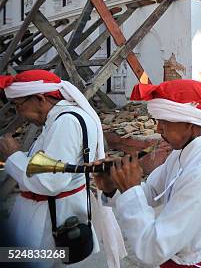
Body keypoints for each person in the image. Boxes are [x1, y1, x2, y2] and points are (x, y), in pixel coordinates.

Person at [94, 79, 201, 267]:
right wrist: (114, 187)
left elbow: (152, 250)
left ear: (190, 123)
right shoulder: (182, 152)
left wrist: (131, 190)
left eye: (164, 121)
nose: (158, 129)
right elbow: (152, 193)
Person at [0, 70, 124, 267]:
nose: (19, 114)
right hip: (50, 215)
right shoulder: (61, 119)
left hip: (45, 223)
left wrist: (14, 156)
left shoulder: (66, 122)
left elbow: (49, 182)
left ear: (40, 99)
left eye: (19, 106)